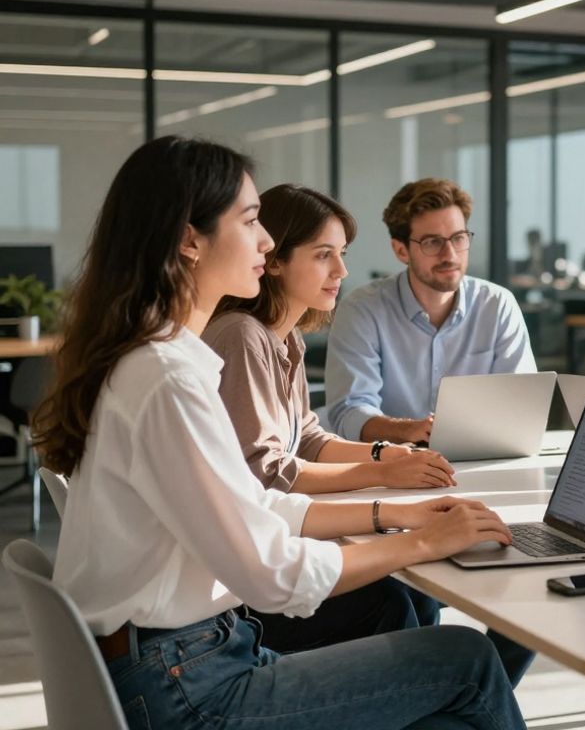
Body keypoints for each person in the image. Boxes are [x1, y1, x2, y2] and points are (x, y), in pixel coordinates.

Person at [34, 136, 525, 729]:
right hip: (188, 688)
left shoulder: (157, 362)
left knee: (446, 707)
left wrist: (399, 516)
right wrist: (423, 543)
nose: (265, 241)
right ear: (189, 240)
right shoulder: (166, 381)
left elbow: (257, 504)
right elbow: (269, 575)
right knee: (467, 659)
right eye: (249, 220)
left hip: (177, 663)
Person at [202, 184, 455, 653]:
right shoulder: (242, 336)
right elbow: (269, 474)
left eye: (341, 254)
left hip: (259, 558)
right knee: (394, 598)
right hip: (240, 597)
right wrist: (381, 472)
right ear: (274, 259)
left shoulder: (285, 338)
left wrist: (387, 453)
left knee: (411, 595)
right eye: (323, 255)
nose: (341, 271)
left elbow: (309, 439)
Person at [324, 178, 535, 445]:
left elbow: (522, 407)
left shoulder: (497, 305)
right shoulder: (362, 310)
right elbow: (350, 412)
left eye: (458, 238)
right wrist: (410, 430)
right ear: (401, 250)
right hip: (392, 466)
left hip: (483, 458)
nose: (450, 255)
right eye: (432, 242)